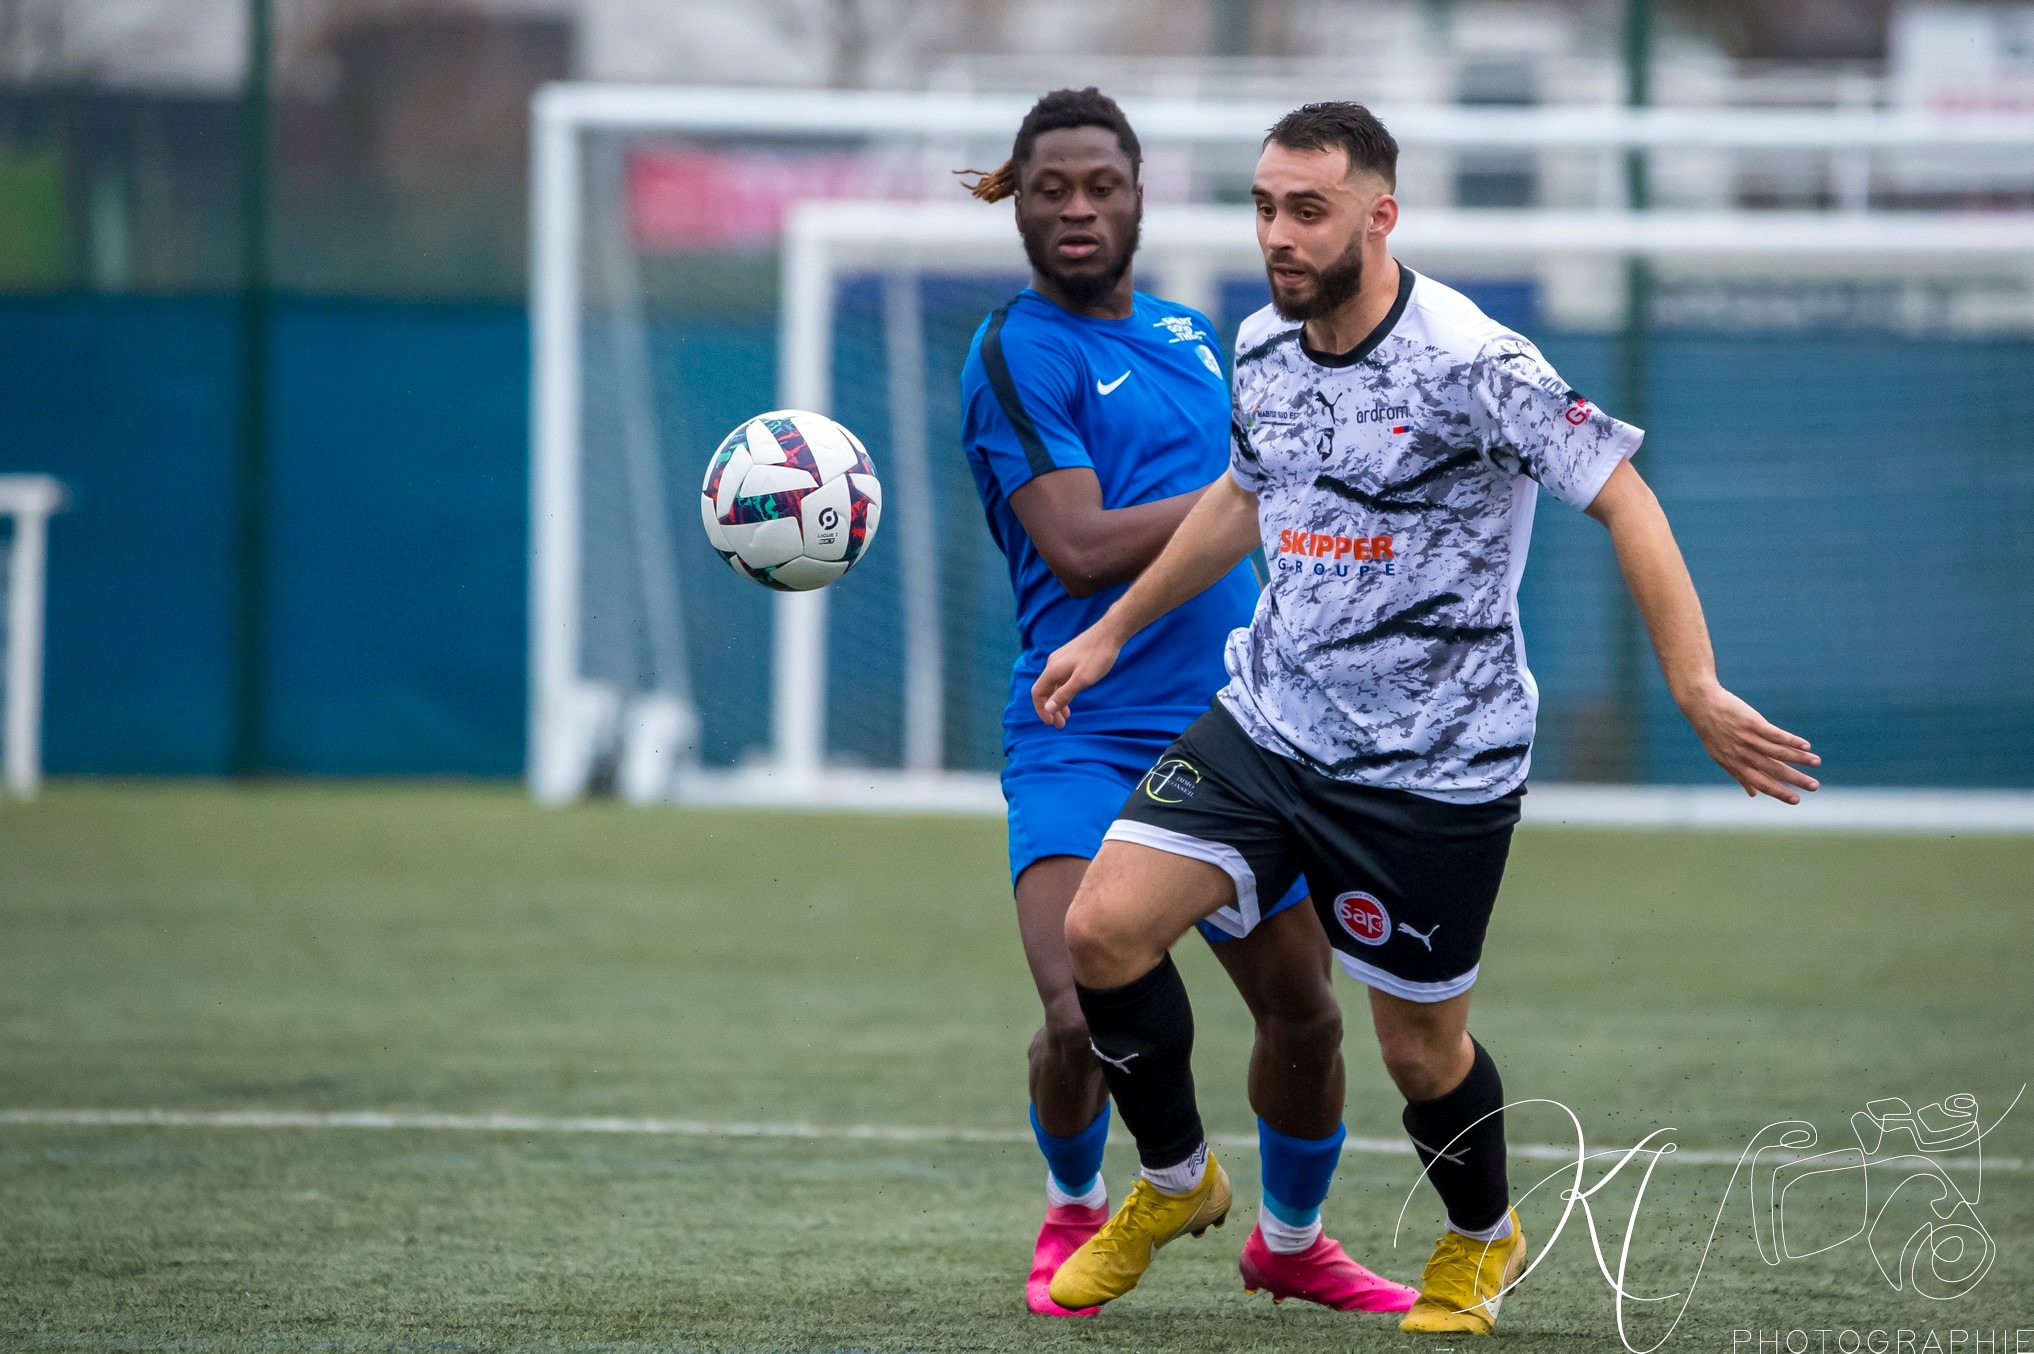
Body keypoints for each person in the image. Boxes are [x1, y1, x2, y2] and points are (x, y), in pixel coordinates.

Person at [1035, 100, 1821, 1335]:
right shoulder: (1261, 348)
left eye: (1308, 211)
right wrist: (1113, 627)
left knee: (1418, 1053)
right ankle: (1181, 1181)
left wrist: (1695, 684)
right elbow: (1244, 498)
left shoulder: (1474, 362)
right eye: (1262, 207)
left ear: (1379, 215)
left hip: (1431, 767)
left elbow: (1625, 500)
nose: (1278, 236)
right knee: (1102, 933)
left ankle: (1481, 1235)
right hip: (1271, 722)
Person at [957, 88, 1418, 1320]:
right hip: (1083, 733)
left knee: (1307, 1014)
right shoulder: (1017, 350)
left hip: (1240, 736)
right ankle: (1076, 1203)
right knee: (1074, 1009)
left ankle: (1292, 1240)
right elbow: (1084, 550)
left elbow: (1286, 496)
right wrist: (1264, 471)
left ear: (1140, 193)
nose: (1076, 208)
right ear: (1019, 196)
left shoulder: (1192, 330)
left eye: (1100, 185)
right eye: (1051, 187)